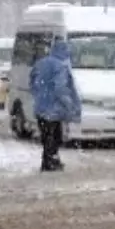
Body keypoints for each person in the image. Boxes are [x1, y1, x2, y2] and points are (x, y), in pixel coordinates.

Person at [30, 41, 82, 172]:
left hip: (40, 107)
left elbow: (32, 82)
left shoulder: (41, 63)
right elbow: (60, 88)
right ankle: (50, 162)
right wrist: (69, 105)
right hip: (54, 110)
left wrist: (39, 96)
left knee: (46, 137)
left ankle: (48, 161)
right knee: (54, 137)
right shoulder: (60, 66)